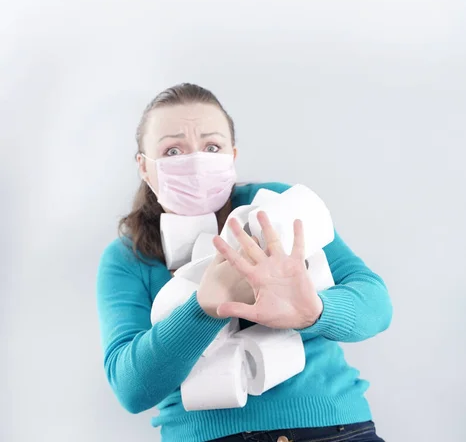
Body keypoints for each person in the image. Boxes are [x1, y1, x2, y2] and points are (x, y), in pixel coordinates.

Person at [96, 82, 392, 442]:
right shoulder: (128, 257)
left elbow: (375, 304)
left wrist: (311, 311)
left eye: (212, 147)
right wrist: (205, 308)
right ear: (144, 167)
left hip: (335, 429)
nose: (195, 161)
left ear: (232, 157)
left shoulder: (277, 208)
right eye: (173, 150)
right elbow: (131, 388)